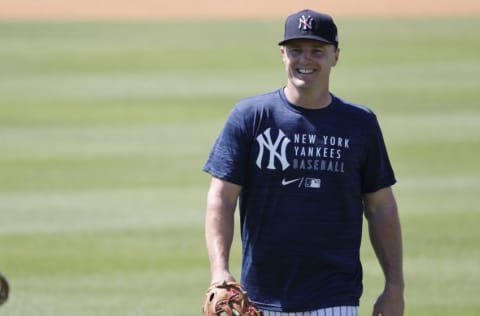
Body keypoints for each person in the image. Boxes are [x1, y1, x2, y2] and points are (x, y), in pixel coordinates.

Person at [203, 8, 404, 316]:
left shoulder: (360, 123)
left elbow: (381, 206)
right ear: (282, 54)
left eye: (317, 51)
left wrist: (394, 287)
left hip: (335, 298)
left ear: (336, 55)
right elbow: (221, 196)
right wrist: (220, 270)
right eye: (296, 51)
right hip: (258, 299)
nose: (305, 60)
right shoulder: (251, 117)